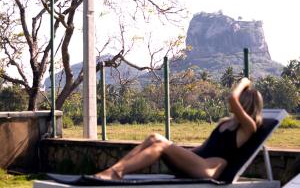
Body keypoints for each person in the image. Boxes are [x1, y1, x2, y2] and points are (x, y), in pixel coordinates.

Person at [95, 77, 263, 180]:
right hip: (197, 162)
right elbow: (205, 147)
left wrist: (243, 82)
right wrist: (177, 151)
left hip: (207, 169)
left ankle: (117, 172)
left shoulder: (248, 128)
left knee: (161, 145)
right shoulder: (225, 123)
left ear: (244, 103)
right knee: (155, 137)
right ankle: (114, 171)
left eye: (240, 100)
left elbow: (232, 98)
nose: (233, 102)